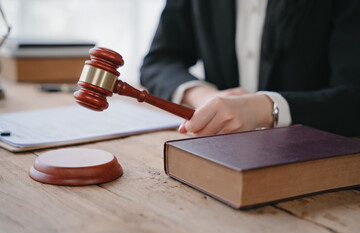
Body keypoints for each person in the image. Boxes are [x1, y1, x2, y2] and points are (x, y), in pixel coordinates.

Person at [140, 0, 360, 137]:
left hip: (319, 156)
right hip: (222, 150)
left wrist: (267, 108)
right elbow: (160, 59)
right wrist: (206, 97)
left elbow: (353, 96)